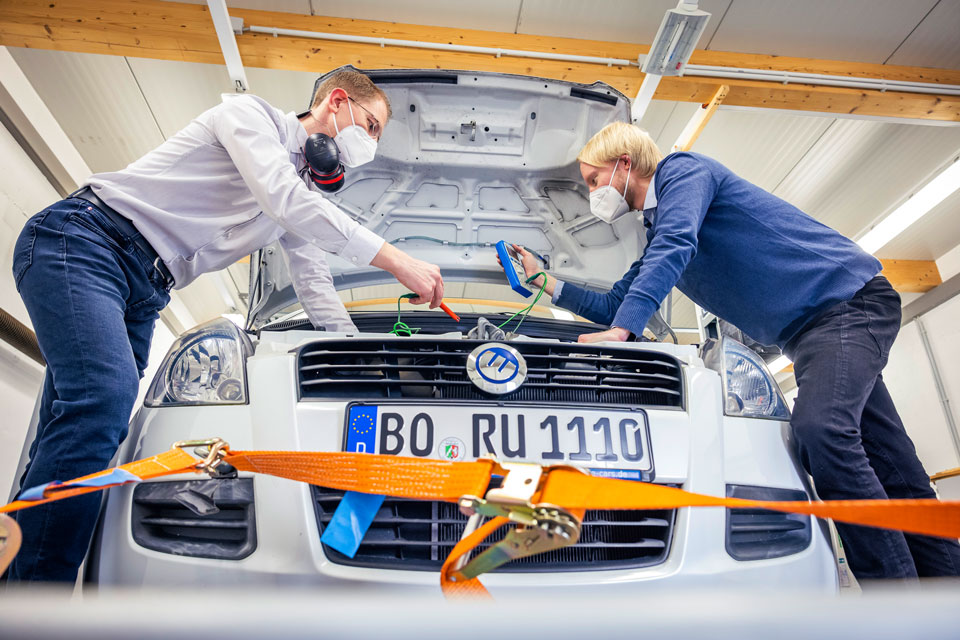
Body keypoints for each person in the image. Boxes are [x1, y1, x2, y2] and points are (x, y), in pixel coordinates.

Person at [7, 70, 443, 582]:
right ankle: (38, 597)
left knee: (77, 423)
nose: (369, 142)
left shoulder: (299, 192)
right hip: (85, 241)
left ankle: (14, 572)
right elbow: (284, 198)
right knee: (103, 399)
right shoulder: (249, 117)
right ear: (337, 102)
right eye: (370, 126)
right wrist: (394, 259)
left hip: (146, 288)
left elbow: (314, 283)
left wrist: (364, 359)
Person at [509, 121, 960, 582]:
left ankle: (897, 598)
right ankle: (948, 591)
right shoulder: (660, 232)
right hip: (808, 336)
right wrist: (545, 281)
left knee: (820, 430)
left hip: (846, 302)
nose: (593, 195)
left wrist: (624, 331)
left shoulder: (683, 173)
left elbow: (676, 245)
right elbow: (613, 304)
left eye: (594, 180)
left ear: (624, 163)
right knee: (892, 464)